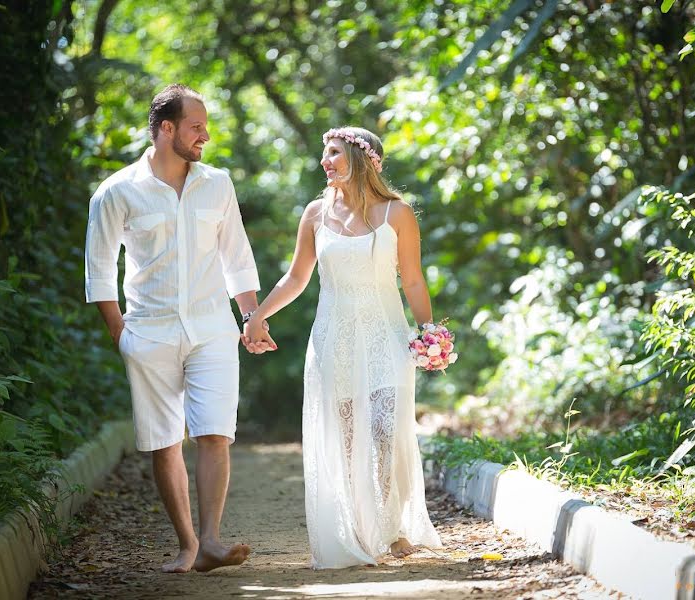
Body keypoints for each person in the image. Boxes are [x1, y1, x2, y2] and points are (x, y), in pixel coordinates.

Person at [84, 84, 274, 573]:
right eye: (196, 126)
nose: (205, 135)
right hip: (148, 331)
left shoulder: (218, 183)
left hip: (213, 326)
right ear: (166, 128)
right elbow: (99, 272)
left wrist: (251, 318)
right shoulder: (116, 191)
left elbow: (237, 256)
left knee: (215, 432)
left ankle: (211, 539)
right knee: (165, 440)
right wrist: (120, 336)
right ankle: (187, 544)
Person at [242, 126, 442, 568]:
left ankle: (390, 528)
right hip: (334, 340)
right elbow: (297, 278)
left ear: (361, 158)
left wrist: (429, 331)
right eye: (324, 153)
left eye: (333, 153)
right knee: (349, 438)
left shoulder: (397, 214)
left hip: (387, 337)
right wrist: (258, 315)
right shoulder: (315, 213)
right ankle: (356, 527)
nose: (324, 161)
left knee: (387, 432)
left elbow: (411, 278)